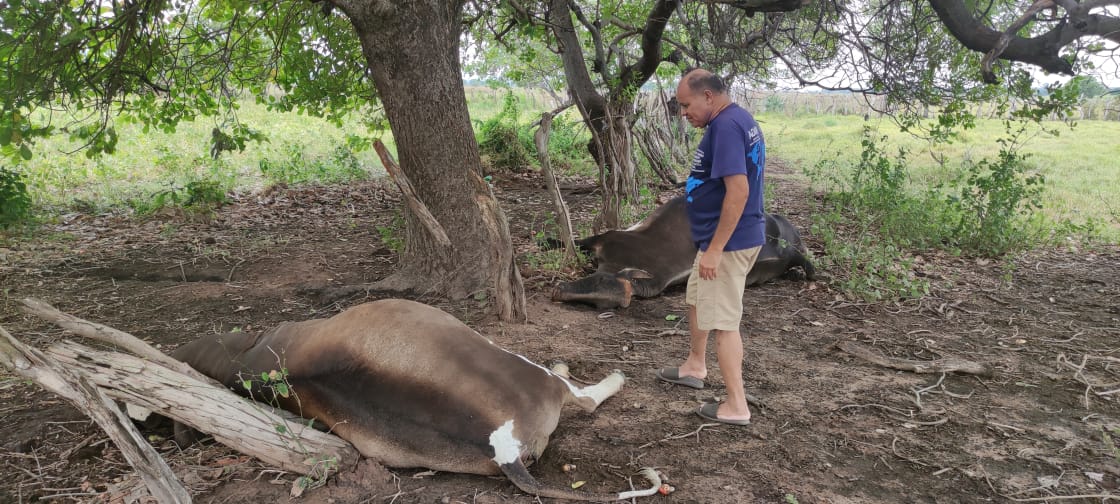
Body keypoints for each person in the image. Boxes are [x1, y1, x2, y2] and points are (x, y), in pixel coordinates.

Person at [655, 69, 766, 426]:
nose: (684, 112)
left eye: (686, 105)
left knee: (724, 321)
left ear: (708, 97)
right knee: (695, 299)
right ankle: (695, 364)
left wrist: (717, 249)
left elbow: (739, 191)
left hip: (729, 243)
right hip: (719, 239)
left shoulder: (726, 128)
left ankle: (736, 405)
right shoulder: (737, 119)